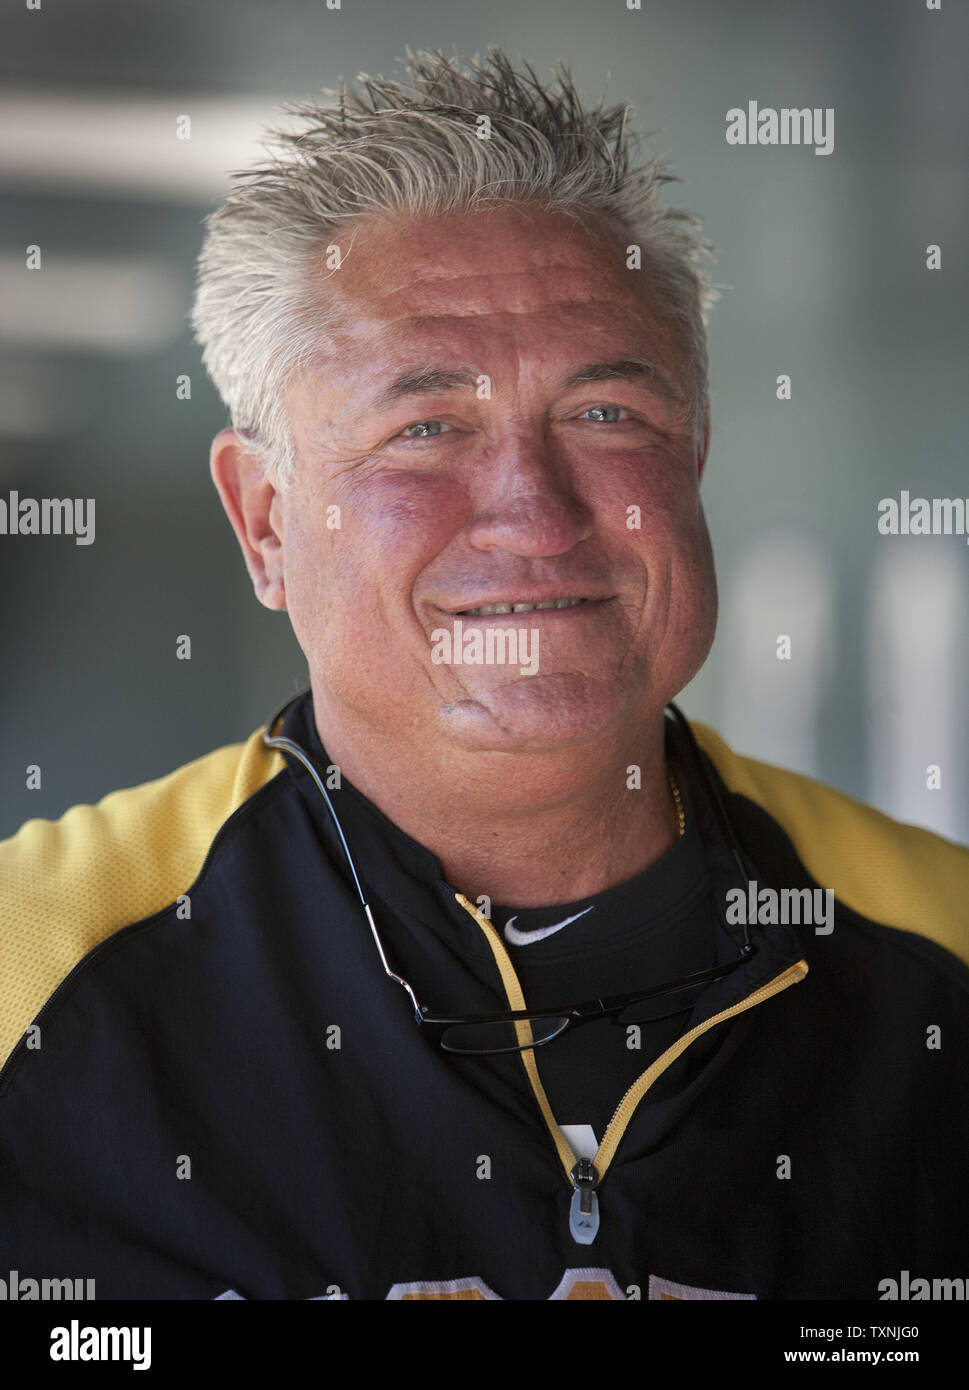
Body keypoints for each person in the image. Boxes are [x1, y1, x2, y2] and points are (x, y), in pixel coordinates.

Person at [1, 49, 966, 1303]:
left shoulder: (939, 951)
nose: (534, 510)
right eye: (426, 427)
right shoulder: (29, 971)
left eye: (606, 414)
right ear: (266, 523)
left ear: (696, 459)